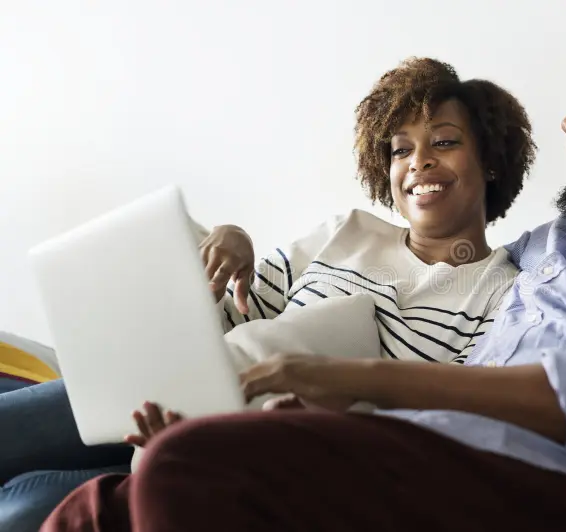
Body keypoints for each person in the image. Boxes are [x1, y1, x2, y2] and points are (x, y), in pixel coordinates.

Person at [44, 18, 566, 532]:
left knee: (189, 468)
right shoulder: (558, 240)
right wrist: (324, 420)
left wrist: (355, 382)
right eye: (401, 150)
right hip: (470, 462)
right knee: (96, 507)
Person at [0, 57, 533, 531]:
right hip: (166, 398)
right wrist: (228, 244)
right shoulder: (346, 232)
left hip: (246, 456)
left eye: (444, 142)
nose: (418, 162)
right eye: (401, 150)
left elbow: (442, 430)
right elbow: (234, 316)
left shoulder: (506, 294)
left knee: (23, 509)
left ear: (489, 160)